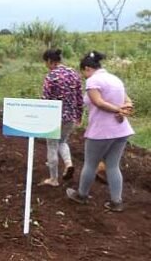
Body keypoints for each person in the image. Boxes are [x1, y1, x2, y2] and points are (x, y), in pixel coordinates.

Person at [66, 51, 134, 212]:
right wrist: (123, 112)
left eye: (83, 72)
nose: (84, 76)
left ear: (87, 68)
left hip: (101, 131)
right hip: (121, 130)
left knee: (90, 163)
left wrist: (118, 109)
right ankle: (116, 202)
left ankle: (81, 195)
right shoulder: (115, 79)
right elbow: (129, 102)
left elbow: (99, 103)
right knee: (112, 165)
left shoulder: (93, 81)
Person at [39, 49, 83, 187]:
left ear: (50, 61)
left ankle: (53, 179)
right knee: (63, 141)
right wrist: (79, 115)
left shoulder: (51, 77)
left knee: (52, 145)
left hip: (54, 116)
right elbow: (79, 97)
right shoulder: (73, 74)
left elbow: (45, 99)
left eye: (46, 63)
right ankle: (68, 163)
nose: (46, 65)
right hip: (70, 116)